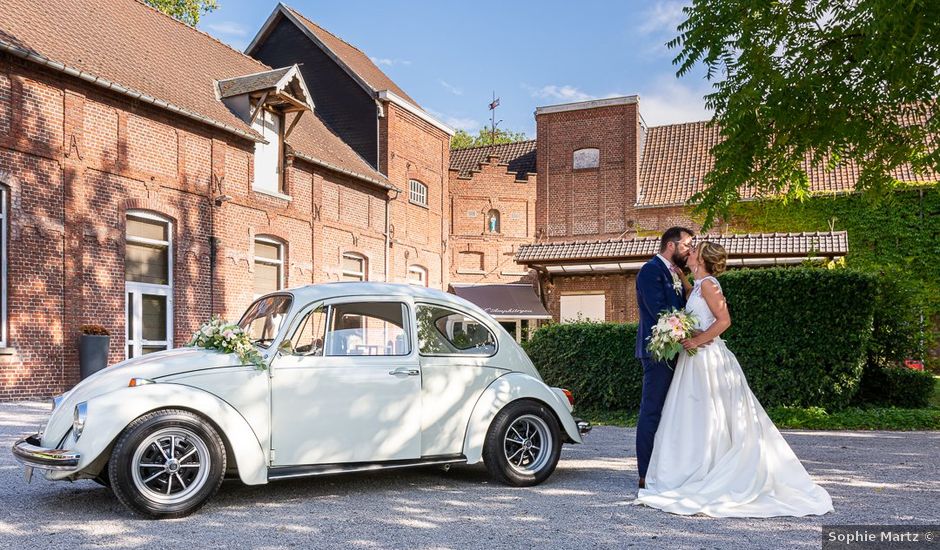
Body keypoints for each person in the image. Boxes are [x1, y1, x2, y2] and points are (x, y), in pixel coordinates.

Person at [633, 241, 834, 517]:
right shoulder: (699, 283)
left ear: (702, 257)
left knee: (708, 414)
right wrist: (681, 281)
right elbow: (694, 301)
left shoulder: (710, 285)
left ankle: (711, 469)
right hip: (694, 363)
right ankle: (693, 468)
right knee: (694, 415)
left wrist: (697, 340)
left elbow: (724, 320)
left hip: (706, 358)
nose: (688, 252)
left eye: (693, 250)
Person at [634, 227, 695, 490]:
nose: (689, 251)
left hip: (676, 350)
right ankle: (645, 473)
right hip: (657, 352)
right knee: (652, 411)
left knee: (673, 412)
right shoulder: (650, 270)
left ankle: (669, 469)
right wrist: (690, 333)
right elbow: (660, 312)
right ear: (671, 245)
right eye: (686, 246)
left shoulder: (676, 273)